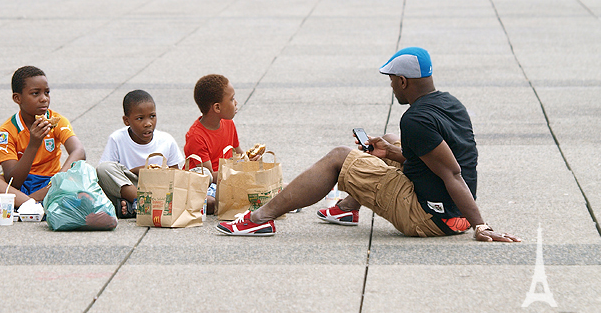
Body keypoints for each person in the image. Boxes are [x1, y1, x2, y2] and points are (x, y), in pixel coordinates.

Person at [217, 47, 521, 244]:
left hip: (429, 218)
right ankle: (348, 209)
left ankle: (258, 220)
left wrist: (480, 225)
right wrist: (388, 153)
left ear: (403, 81)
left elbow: (452, 174)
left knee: (338, 157)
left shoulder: (416, 120)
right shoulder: (449, 103)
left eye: (391, 80)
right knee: (388, 140)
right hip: (451, 213)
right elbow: (443, 161)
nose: (390, 87)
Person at [0, 66, 86, 217]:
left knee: (85, 173)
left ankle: (20, 206)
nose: (44, 98)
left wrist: (56, 184)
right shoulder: (7, 131)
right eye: (35, 93)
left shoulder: (57, 121)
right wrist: (33, 144)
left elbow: (79, 152)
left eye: (47, 92)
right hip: (18, 189)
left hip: (51, 184)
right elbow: (14, 181)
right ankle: (32, 206)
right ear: (17, 98)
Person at [96, 90, 184, 218]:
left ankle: (133, 206)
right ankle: (145, 204)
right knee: (103, 169)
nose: (148, 123)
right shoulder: (117, 139)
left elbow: (176, 174)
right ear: (126, 121)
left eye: (152, 116)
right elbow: (105, 176)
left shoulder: (167, 140)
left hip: (160, 188)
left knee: (204, 174)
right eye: (140, 118)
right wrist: (138, 171)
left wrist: (159, 173)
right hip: (132, 186)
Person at [184, 74, 260, 215]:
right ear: (217, 107)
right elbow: (207, 177)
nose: (236, 102)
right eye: (231, 99)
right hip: (205, 185)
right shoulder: (196, 136)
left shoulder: (228, 123)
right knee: (211, 202)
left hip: (228, 178)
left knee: (272, 184)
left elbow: (239, 153)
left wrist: (250, 161)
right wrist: (237, 169)